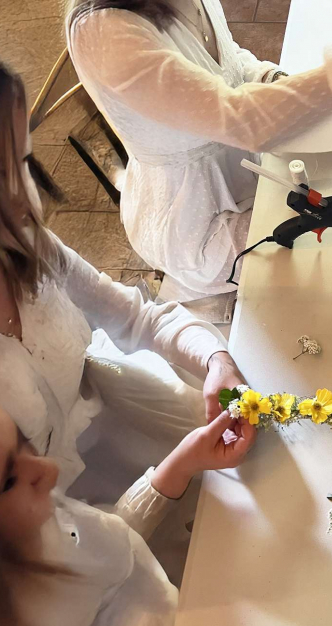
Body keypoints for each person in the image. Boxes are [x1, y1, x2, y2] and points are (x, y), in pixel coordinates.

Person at [0, 61, 250, 580]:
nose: (30, 194)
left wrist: (215, 358)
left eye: (26, 160)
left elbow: (135, 315)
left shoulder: (27, 247)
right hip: (69, 553)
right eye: (5, 173)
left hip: (122, 429)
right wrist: (173, 475)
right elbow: (54, 571)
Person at [65, 0, 332, 295]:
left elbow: (229, 64)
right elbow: (239, 119)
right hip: (203, 215)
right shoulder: (104, 32)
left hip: (258, 161)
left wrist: (279, 80)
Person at [0, 404, 255, 626]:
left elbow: (112, 546)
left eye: (24, 442)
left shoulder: (38, 513)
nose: (51, 470)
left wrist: (182, 463)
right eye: (9, 481)